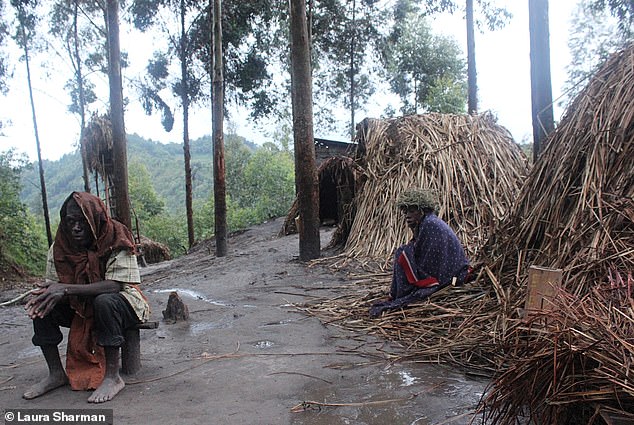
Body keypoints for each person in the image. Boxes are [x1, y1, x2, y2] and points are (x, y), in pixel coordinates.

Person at [23, 191, 149, 403]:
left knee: (105, 301)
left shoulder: (116, 236)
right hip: (80, 304)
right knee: (42, 303)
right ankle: (56, 373)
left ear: (96, 219)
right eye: (71, 221)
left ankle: (112, 377)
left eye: (82, 221)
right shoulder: (61, 247)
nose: (76, 228)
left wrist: (64, 290)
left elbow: (115, 286)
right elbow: (57, 286)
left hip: (123, 304)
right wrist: (47, 293)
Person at [370, 188, 470, 317]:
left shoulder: (430, 225)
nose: (407, 215)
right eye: (405, 212)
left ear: (422, 210)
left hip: (452, 276)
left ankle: (402, 293)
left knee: (402, 254)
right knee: (404, 252)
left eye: (412, 211)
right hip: (454, 271)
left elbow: (429, 258)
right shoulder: (427, 222)